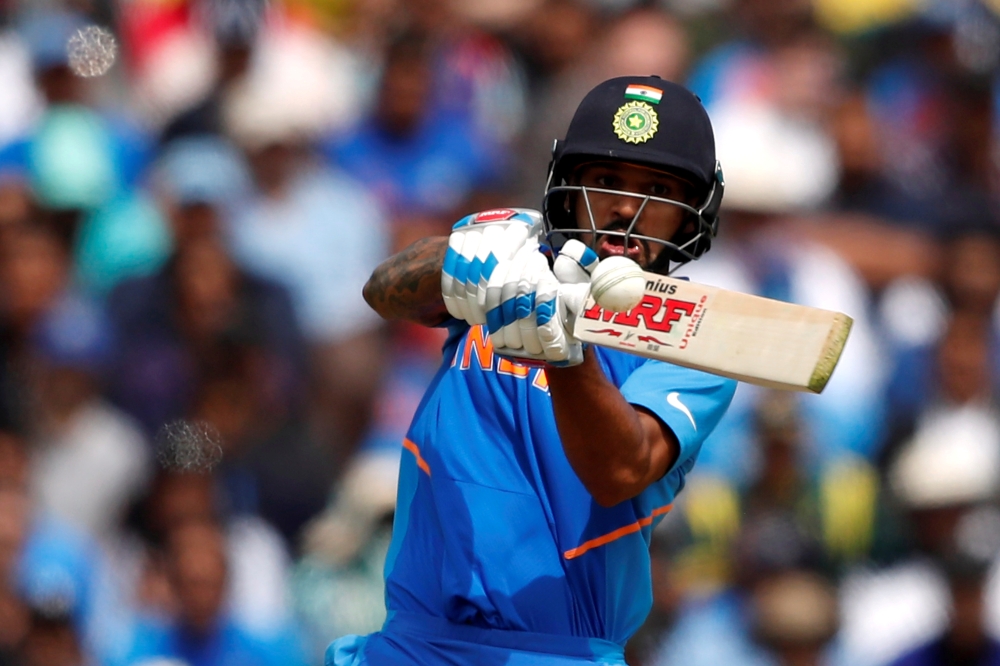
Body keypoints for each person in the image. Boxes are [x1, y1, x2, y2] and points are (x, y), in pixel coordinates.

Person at [328, 75, 737, 665]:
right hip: (411, 647)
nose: (628, 208)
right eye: (605, 182)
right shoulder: (513, 273)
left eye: (658, 189)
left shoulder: (698, 340)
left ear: (692, 215)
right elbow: (383, 292)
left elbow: (622, 469)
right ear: (567, 191)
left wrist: (564, 352)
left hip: (559, 653)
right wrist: (463, 257)